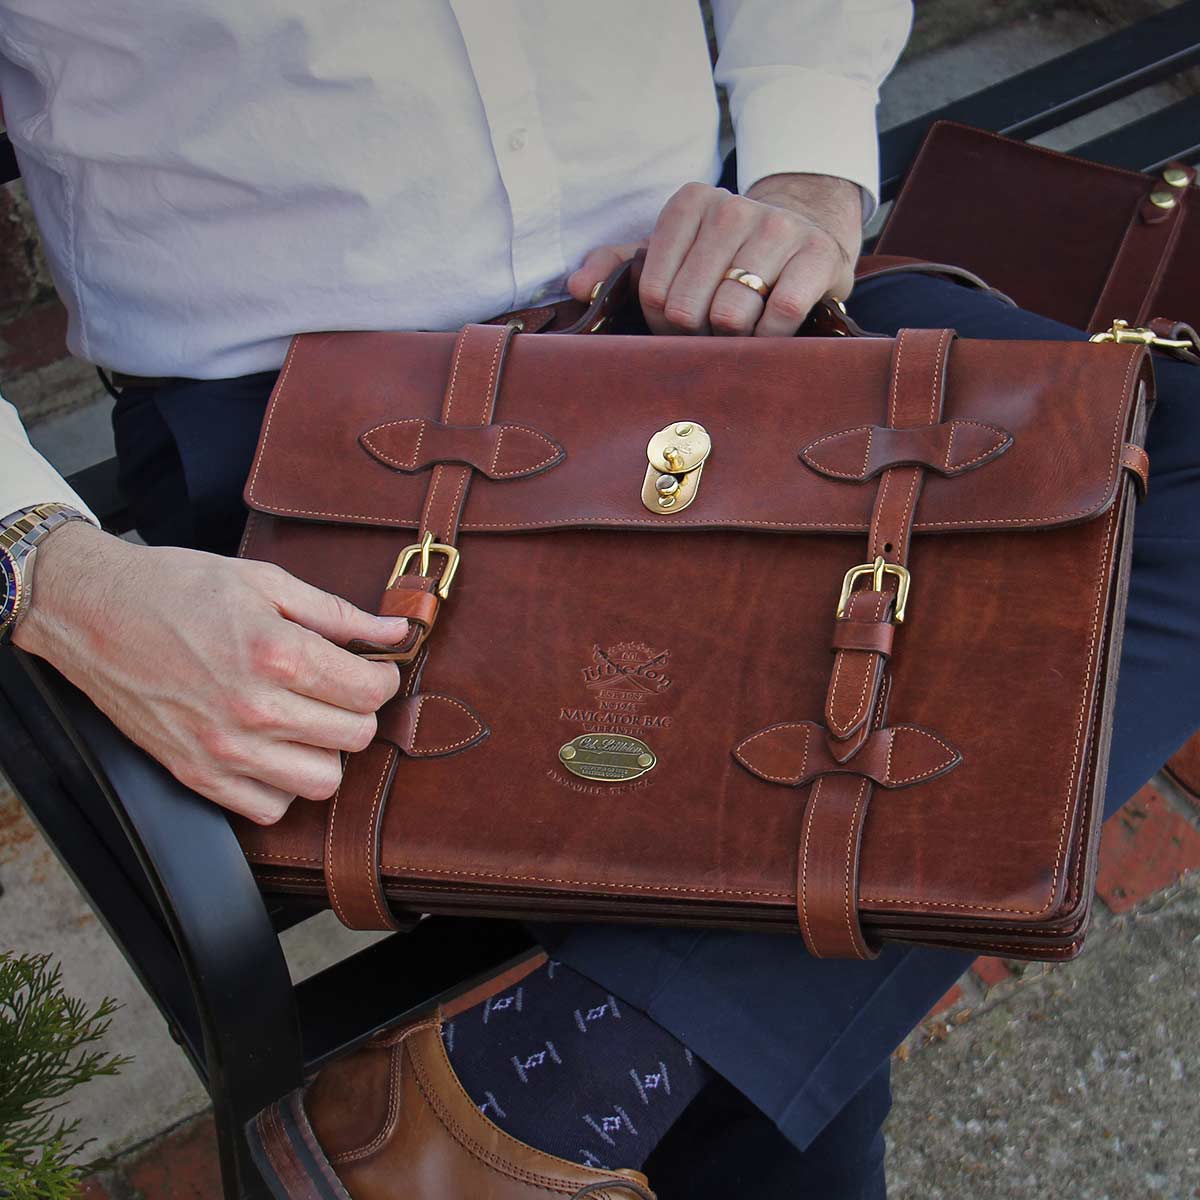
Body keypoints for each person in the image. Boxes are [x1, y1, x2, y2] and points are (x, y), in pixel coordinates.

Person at [1, 4, 1197, 1197]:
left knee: (1160, 462)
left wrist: (811, 177)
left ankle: (545, 1086)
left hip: (718, 305)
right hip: (317, 423)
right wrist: (50, 564)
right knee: (771, 1018)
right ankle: (549, 1084)